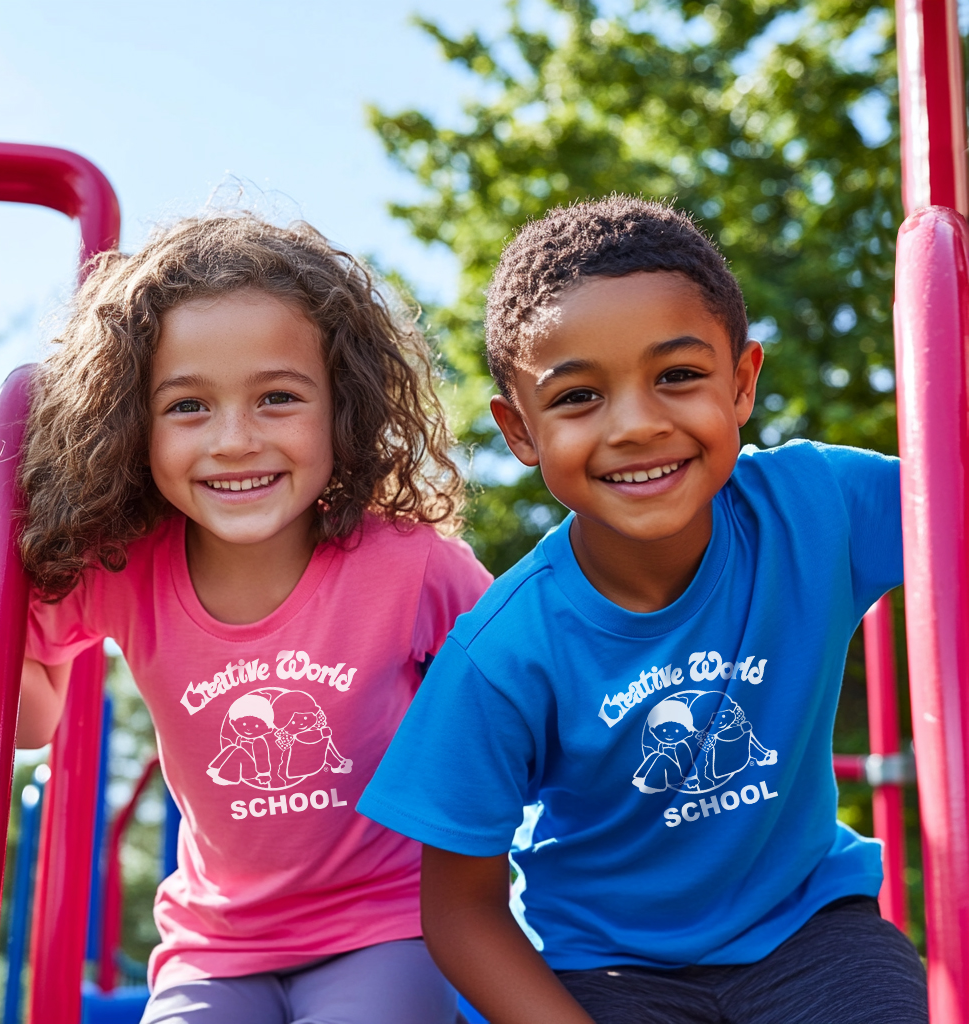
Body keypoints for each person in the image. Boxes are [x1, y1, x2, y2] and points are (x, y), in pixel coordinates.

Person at [358, 196, 927, 1024]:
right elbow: (459, 907)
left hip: (810, 930)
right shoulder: (502, 651)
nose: (636, 425)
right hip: (613, 972)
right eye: (579, 397)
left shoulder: (820, 507)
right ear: (521, 431)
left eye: (679, 377)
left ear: (742, 383)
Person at [16, 213, 492, 1024]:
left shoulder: (410, 564)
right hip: (214, 945)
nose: (235, 440)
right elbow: (33, 719)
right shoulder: (126, 567)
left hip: (385, 924)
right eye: (188, 407)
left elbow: (519, 693)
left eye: (277, 398)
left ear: (343, 405)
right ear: (132, 426)